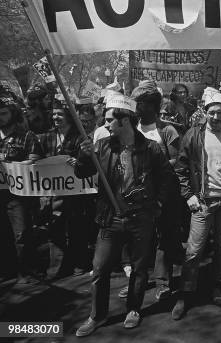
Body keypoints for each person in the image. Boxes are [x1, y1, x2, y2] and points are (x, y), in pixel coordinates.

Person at [74, 94, 174, 337]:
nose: (106, 125)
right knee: (99, 268)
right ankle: (97, 316)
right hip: (110, 218)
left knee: (139, 268)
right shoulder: (102, 146)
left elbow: (166, 178)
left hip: (141, 218)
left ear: (126, 120)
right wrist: (84, 155)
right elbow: (80, 172)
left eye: (110, 120)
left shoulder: (151, 148)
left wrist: (157, 204)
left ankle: (133, 309)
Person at [171, 91, 221, 320]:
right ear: (205, 112)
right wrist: (188, 196)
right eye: (211, 112)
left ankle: (215, 285)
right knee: (194, 251)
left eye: (219, 112)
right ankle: (185, 294)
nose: (215, 117)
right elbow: (181, 169)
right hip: (202, 203)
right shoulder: (193, 136)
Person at [131, 80, 182, 302]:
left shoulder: (167, 130)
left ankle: (163, 282)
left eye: (139, 103)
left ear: (150, 106)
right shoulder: (130, 130)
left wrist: (152, 172)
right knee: (140, 239)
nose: (135, 108)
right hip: (137, 197)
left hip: (164, 196)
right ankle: (136, 282)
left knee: (165, 237)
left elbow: (175, 159)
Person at [38, 100, 90, 278]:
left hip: (75, 192)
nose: (55, 117)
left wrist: (79, 160)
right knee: (55, 229)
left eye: (59, 114)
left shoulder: (80, 137)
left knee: (77, 227)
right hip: (54, 191)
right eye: (53, 114)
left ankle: (79, 263)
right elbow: (38, 159)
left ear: (69, 116)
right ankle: (56, 268)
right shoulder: (47, 137)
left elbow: (87, 160)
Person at [0, 93, 43, 283]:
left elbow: (35, 160)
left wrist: (12, 164)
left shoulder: (26, 136)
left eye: (3, 113)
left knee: (21, 233)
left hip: (17, 195)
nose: (0, 117)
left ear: (13, 114)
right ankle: (7, 270)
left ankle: (27, 271)